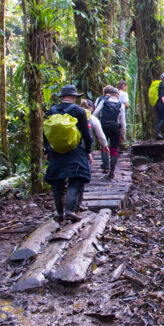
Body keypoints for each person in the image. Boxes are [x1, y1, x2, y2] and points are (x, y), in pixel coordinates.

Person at [44, 85, 93, 223]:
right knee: (75, 179)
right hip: (75, 151)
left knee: (57, 182)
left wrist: (47, 150)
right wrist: (88, 151)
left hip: (56, 151)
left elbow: (45, 133)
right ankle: (70, 210)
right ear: (74, 97)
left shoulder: (51, 111)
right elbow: (86, 134)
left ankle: (60, 213)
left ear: (62, 96)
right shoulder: (79, 111)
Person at [93, 85, 126, 178]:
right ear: (117, 95)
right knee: (114, 150)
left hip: (103, 126)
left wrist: (97, 123)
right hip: (115, 128)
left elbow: (95, 114)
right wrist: (122, 134)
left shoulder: (104, 102)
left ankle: (106, 167)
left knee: (104, 145)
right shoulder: (121, 105)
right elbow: (123, 122)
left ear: (110, 95)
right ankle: (111, 172)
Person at [80, 99, 109, 173]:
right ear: (91, 108)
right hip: (86, 146)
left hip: (74, 146)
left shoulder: (74, 115)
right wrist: (105, 145)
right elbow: (101, 136)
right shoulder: (93, 119)